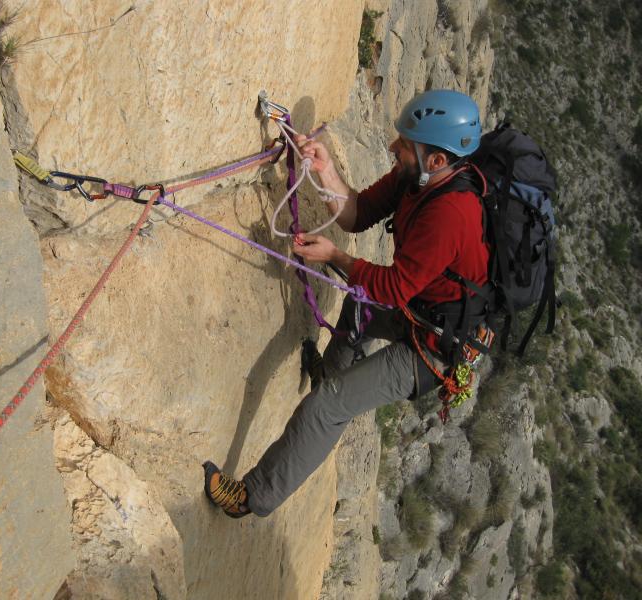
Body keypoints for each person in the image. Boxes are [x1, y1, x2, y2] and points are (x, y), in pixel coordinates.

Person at [203, 89, 489, 518]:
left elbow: (392, 289)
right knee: (359, 307)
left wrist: (335, 258)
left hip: (435, 348)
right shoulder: (418, 180)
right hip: (421, 311)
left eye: (405, 146)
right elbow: (358, 213)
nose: (394, 149)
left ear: (436, 160)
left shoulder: (451, 215)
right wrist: (327, 171)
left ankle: (250, 497)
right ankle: (330, 376)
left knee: (326, 408)